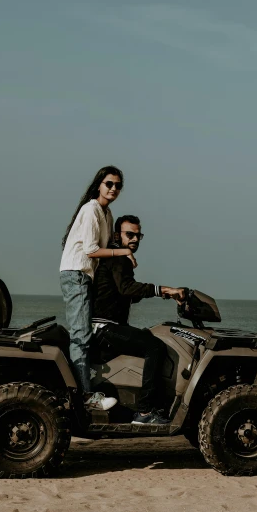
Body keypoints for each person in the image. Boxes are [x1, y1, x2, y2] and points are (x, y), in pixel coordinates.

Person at [92, 214, 186, 425]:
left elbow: (127, 294)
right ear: (118, 235)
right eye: (130, 234)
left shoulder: (116, 259)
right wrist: (164, 290)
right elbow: (127, 288)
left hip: (104, 327)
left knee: (146, 337)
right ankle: (144, 412)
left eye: (138, 235)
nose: (134, 239)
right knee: (155, 347)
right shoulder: (119, 258)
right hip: (105, 328)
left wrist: (159, 294)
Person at [60, 166, 136, 411]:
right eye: (109, 184)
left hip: (87, 276)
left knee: (88, 333)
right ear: (99, 185)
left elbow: (107, 248)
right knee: (80, 336)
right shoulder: (91, 209)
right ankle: (84, 397)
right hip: (76, 274)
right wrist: (124, 251)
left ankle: (90, 386)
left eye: (117, 186)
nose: (113, 189)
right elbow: (92, 250)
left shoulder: (107, 213)